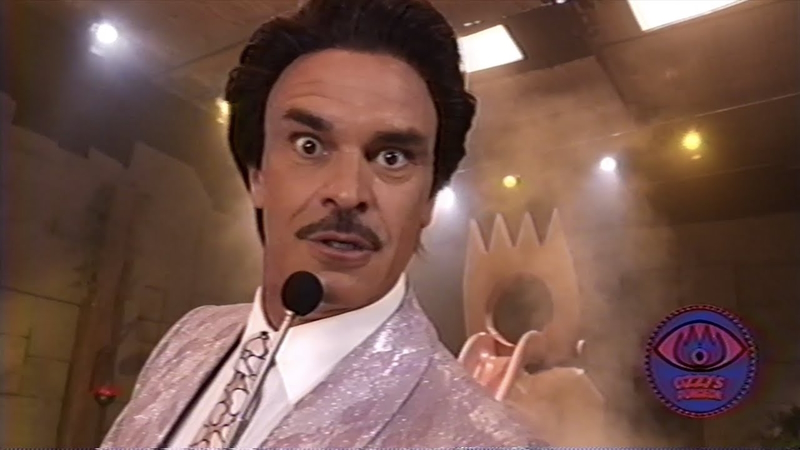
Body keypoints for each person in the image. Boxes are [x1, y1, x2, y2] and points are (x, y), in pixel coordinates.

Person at [101, 0, 547, 448]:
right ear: (257, 175)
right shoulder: (192, 337)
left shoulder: (487, 440)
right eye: (309, 146)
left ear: (429, 198)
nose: (348, 192)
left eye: (392, 157)